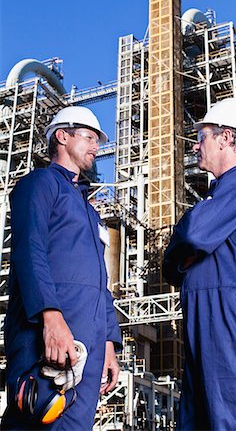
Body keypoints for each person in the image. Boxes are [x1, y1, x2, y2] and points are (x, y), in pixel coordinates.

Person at [163, 98, 236, 431]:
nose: (196, 145)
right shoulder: (219, 196)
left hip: (235, 321)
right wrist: (187, 245)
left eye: (202, 136)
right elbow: (172, 266)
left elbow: (194, 233)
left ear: (226, 137)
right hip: (206, 322)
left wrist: (190, 240)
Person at [2, 106, 122, 430]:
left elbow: (102, 280)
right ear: (62, 136)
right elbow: (30, 249)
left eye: (97, 140)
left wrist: (109, 342)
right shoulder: (39, 184)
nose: (96, 146)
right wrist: (50, 316)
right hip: (48, 334)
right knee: (34, 419)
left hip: (88, 343)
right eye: (89, 137)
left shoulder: (90, 211)